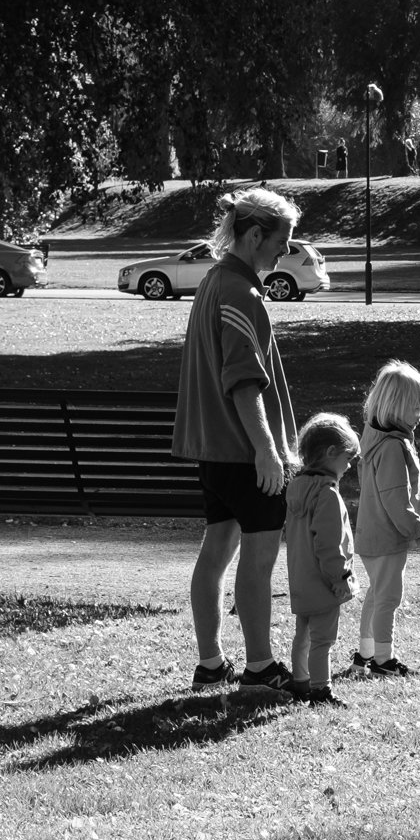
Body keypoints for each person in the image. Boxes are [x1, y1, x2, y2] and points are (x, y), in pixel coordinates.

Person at [173, 186, 301, 694]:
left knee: (216, 551)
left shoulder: (212, 280)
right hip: (243, 452)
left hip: (212, 451)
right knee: (258, 558)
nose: (285, 252)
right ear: (254, 235)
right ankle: (260, 668)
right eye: (282, 241)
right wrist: (268, 452)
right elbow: (243, 382)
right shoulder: (241, 293)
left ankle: (210, 663)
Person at [353, 359, 420, 676]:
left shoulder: (376, 440)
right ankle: (383, 661)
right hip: (387, 537)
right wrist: (419, 530)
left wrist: (419, 492)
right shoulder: (391, 447)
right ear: (398, 408)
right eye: (416, 407)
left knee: (376, 593)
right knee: (389, 597)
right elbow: (394, 499)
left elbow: (387, 488)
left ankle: (365, 653)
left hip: (371, 533)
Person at [285, 412, 360, 706]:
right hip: (323, 582)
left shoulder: (296, 489)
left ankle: (300, 682)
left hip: (300, 578)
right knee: (323, 641)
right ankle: (321, 690)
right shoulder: (327, 495)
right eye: (347, 457)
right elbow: (330, 545)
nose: (349, 464)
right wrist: (341, 578)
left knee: (302, 635)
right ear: (331, 453)